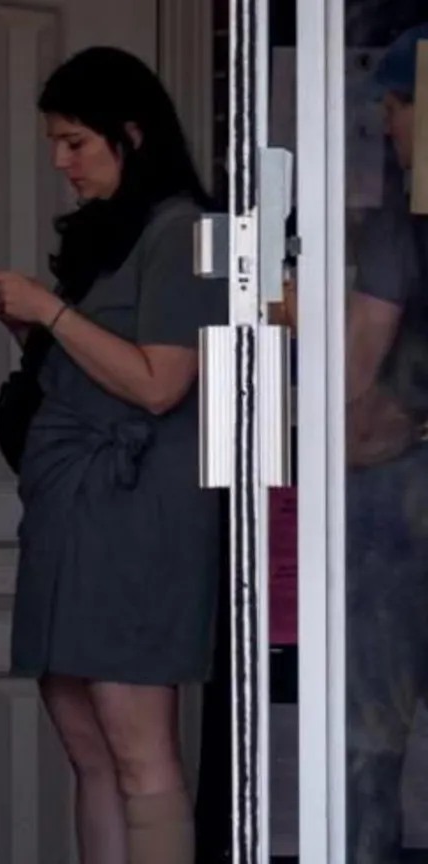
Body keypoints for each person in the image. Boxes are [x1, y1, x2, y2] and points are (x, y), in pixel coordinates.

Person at [0, 47, 225, 864]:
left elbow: (160, 384)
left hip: (137, 511)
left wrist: (49, 312)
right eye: (55, 142)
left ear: (132, 133)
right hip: (73, 507)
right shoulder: (111, 236)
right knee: (86, 746)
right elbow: (97, 362)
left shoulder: (186, 231)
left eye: (76, 142)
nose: (61, 162)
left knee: (138, 749)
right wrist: (37, 330)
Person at [342, 22, 428, 862]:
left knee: (371, 722)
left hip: (398, 500)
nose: (388, 125)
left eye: (398, 105)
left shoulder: (404, 217)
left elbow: (360, 353)